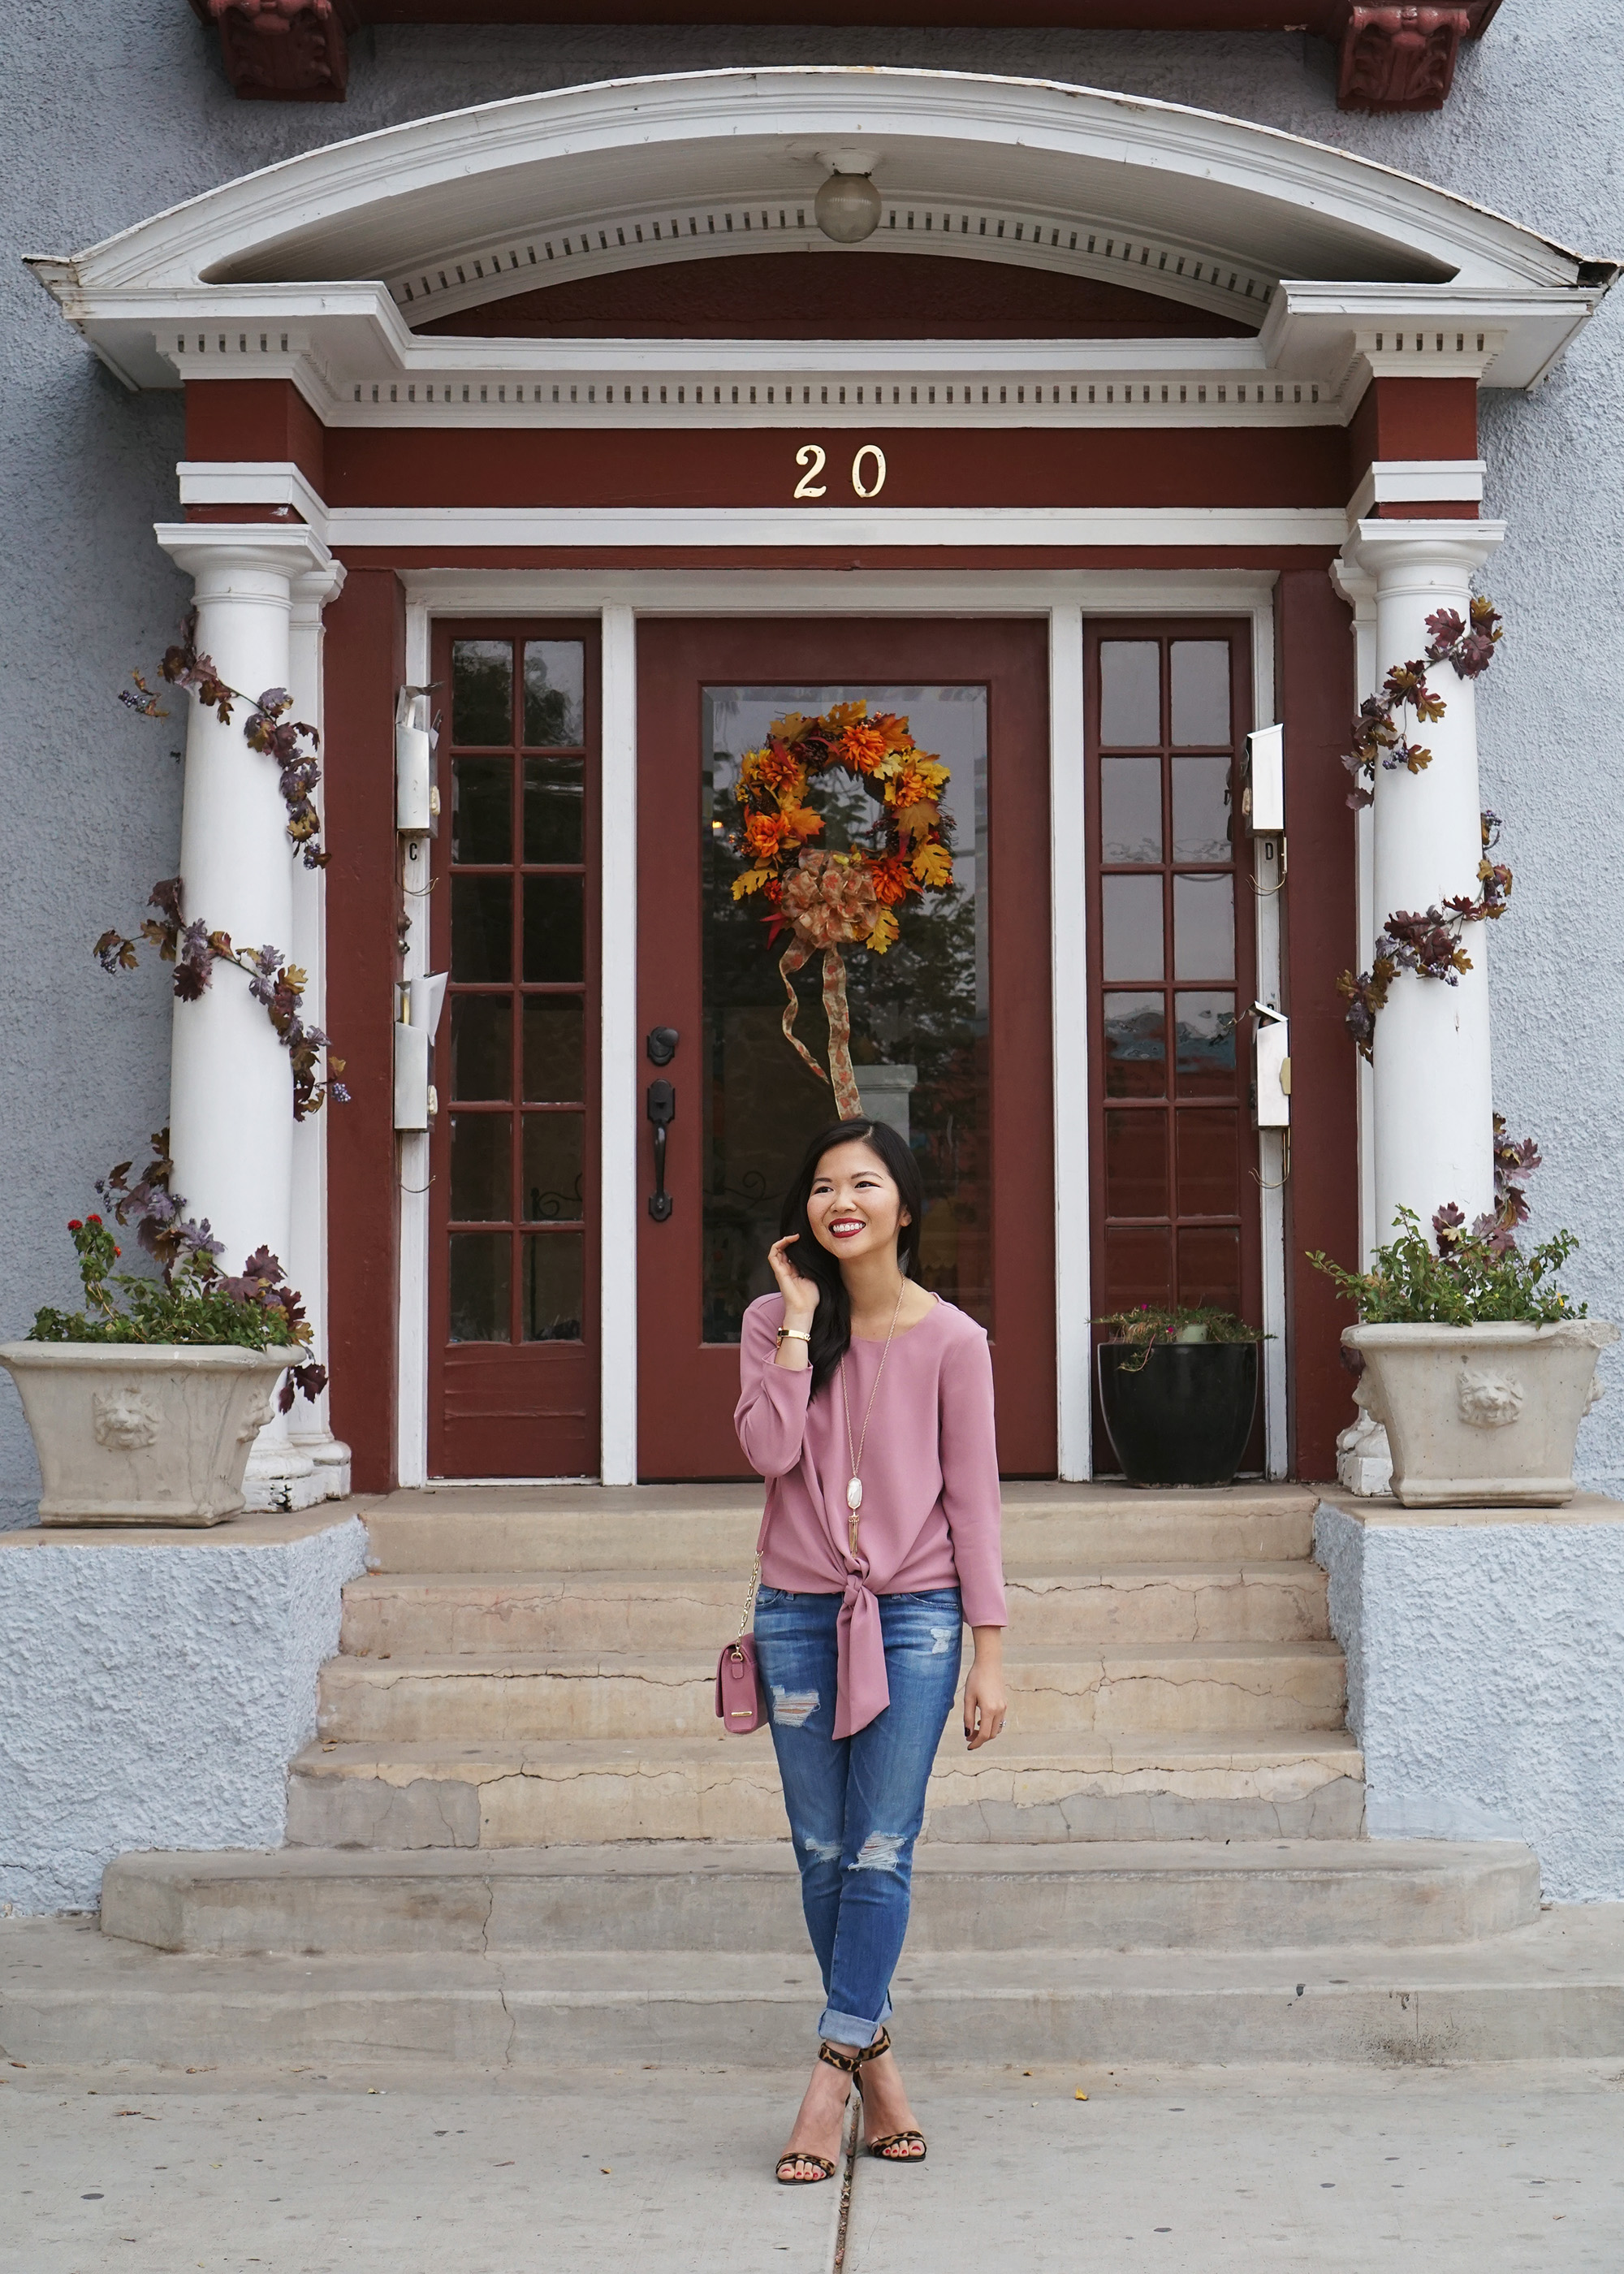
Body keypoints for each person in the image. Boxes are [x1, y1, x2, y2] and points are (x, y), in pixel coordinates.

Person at [733, 1116, 1007, 2184]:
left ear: (906, 1205)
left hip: (917, 1619)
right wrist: (803, 1322)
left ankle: (826, 2080)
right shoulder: (772, 1320)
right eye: (821, 1187)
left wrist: (991, 1653)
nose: (840, 1201)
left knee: (881, 1848)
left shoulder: (955, 1342)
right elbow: (767, 1450)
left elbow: (976, 1505)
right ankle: (879, 2065)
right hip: (798, 1614)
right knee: (820, 1851)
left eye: (865, 1182)